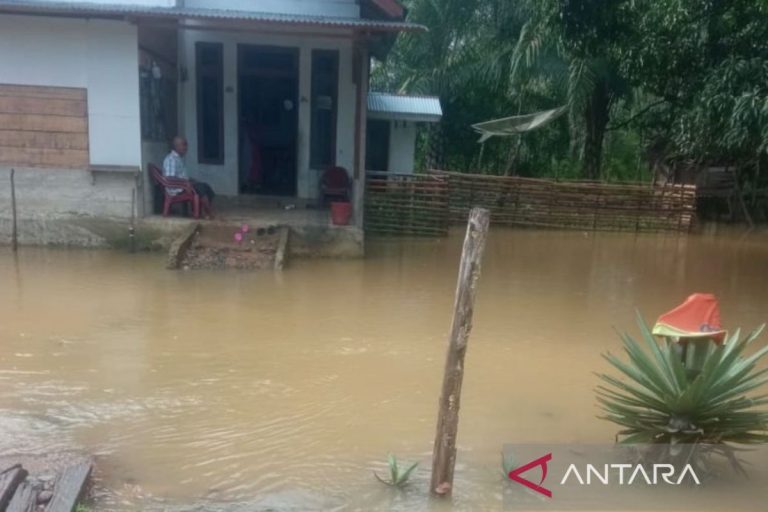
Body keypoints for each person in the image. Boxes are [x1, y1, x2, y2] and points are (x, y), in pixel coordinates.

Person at [162, 136, 215, 218]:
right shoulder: (171, 159)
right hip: (176, 189)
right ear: (177, 146)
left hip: (183, 185)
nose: (186, 148)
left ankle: (204, 211)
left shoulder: (178, 158)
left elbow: (180, 175)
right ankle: (208, 212)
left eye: (186, 145)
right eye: (184, 145)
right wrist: (185, 183)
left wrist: (189, 180)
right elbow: (169, 178)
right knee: (201, 188)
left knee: (205, 186)